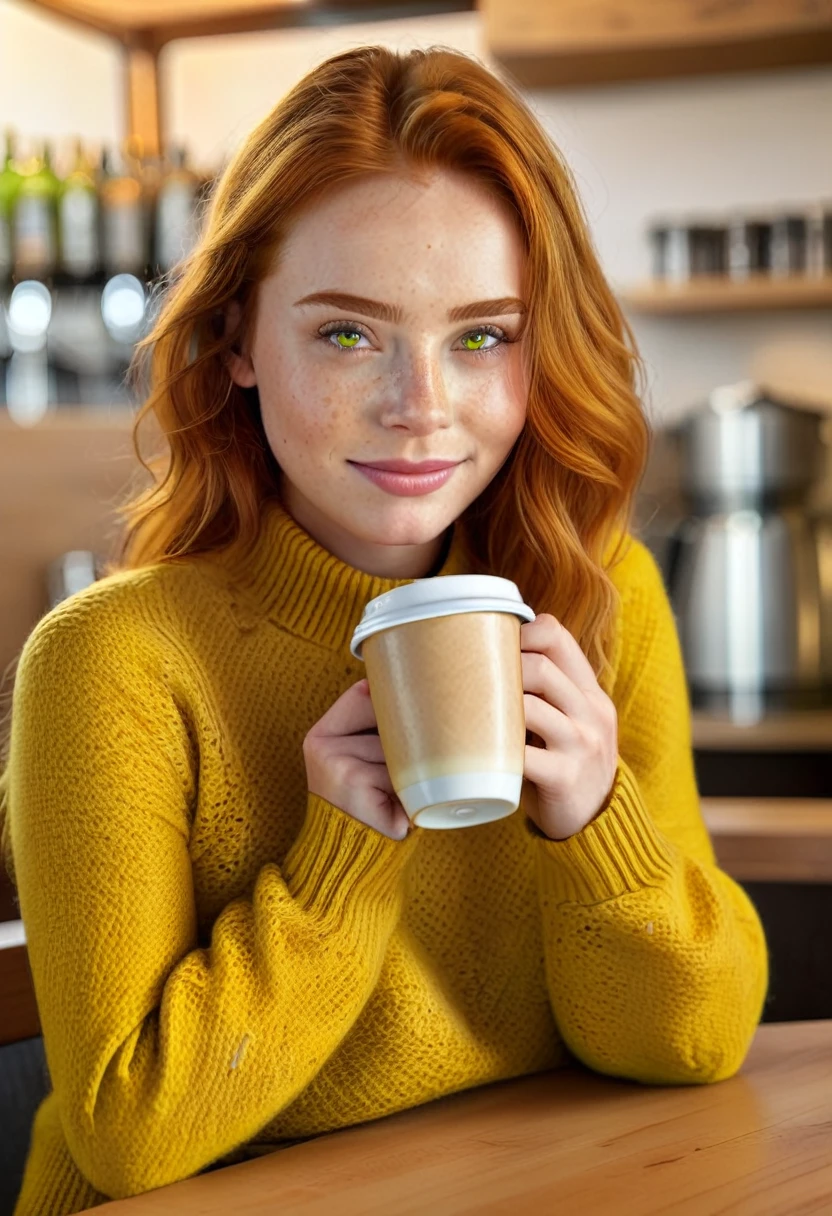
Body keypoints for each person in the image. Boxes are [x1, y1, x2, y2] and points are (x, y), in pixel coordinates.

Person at [0, 44, 767, 1214]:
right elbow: (128, 1134)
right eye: (347, 334)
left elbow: (693, 1041)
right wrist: (335, 862)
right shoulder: (113, 663)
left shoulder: (593, 592)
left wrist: (596, 827)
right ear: (239, 341)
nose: (421, 408)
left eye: (482, 336)